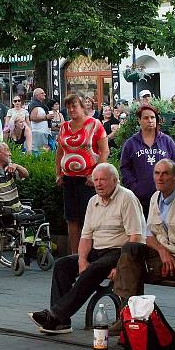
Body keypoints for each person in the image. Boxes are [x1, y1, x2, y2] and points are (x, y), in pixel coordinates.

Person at [29, 163, 144, 334]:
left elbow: (135, 237)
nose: (98, 183)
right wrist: (82, 259)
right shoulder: (93, 201)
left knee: (95, 268)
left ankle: (54, 315)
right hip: (97, 251)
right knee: (62, 265)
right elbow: (86, 236)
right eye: (96, 179)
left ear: (115, 180)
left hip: (120, 252)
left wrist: (120, 266)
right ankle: (62, 323)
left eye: (103, 180)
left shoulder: (127, 198)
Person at [113, 160, 175, 325]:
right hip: (162, 256)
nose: (160, 178)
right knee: (130, 248)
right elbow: (149, 236)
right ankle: (132, 318)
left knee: (130, 268)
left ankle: (128, 318)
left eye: (165, 173)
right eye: (157, 173)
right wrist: (162, 251)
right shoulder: (155, 197)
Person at [55, 93, 109, 254]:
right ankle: (75, 256)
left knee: (88, 219)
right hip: (68, 179)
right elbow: (59, 152)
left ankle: (90, 255)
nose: (71, 109)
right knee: (71, 219)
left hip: (88, 180)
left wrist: (95, 176)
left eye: (74, 106)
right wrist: (58, 173)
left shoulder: (95, 124)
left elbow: (105, 151)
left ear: (82, 106)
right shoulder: (64, 126)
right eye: (68, 106)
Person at [120, 104, 175, 217]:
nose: (150, 120)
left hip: (165, 198)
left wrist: (171, 186)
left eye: (153, 117)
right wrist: (134, 186)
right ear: (139, 120)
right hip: (139, 199)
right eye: (146, 118)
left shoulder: (167, 141)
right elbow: (124, 168)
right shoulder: (131, 143)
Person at [0, 141, 29, 215]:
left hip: (18, 211)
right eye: (7, 150)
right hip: (4, 215)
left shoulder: (10, 169)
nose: (10, 154)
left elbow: (26, 175)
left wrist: (17, 166)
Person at [27, 88, 51, 154]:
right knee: (39, 152)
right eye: (42, 93)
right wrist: (46, 117)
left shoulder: (40, 105)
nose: (44, 94)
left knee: (44, 151)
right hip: (38, 132)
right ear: (37, 95)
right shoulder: (34, 105)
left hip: (43, 132)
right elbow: (32, 117)